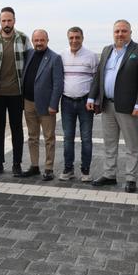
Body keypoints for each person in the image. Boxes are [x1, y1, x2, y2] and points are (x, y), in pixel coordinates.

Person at [87, 20, 138, 193]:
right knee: (109, 143)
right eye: (117, 31)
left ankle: (131, 178)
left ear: (130, 32)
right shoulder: (107, 50)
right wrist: (92, 97)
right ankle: (109, 174)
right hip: (107, 105)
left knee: (131, 145)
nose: (120, 34)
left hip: (129, 107)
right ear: (113, 33)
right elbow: (99, 76)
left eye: (124, 31)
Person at [0, 7, 31, 176]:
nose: (6, 23)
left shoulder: (23, 39)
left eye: (9, 20)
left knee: (17, 128)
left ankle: (17, 164)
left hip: (17, 93)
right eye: (4, 20)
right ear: (0, 21)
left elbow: (30, 63)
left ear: (14, 21)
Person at [21, 30, 63, 181]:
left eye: (42, 40)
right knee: (32, 136)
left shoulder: (55, 58)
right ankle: (34, 166)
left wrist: (53, 105)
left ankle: (49, 168)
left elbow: (58, 84)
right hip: (28, 102)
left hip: (46, 105)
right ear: (32, 41)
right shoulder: (29, 54)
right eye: (36, 40)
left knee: (49, 137)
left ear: (47, 40)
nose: (39, 43)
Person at [59, 26, 98, 182]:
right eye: (71, 38)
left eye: (77, 37)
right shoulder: (62, 56)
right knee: (67, 137)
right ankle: (68, 169)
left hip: (85, 102)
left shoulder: (91, 56)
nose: (74, 40)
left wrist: (94, 100)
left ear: (82, 38)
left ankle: (85, 170)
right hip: (66, 102)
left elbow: (96, 81)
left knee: (86, 138)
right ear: (68, 38)